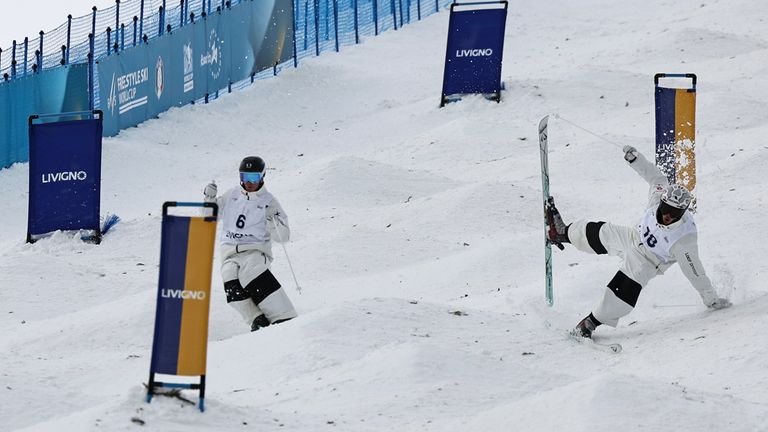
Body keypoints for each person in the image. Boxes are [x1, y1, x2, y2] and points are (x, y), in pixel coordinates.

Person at [546, 145, 731, 338]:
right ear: (662, 201)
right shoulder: (659, 195)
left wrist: (711, 299)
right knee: (601, 231)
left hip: (648, 261)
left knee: (624, 288)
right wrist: (636, 160)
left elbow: (695, 273)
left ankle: (591, 322)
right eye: (666, 208)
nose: (668, 215)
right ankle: (561, 233)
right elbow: (657, 178)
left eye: (675, 213)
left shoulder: (684, 239)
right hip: (634, 237)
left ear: (683, 212)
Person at [204, 156, 297, 332]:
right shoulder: (231, 195)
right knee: (230, 280)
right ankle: (257, 319)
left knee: (250, 273)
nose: (248, 182)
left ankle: (284, 315)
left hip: (255, 250)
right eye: (244, 177)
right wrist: (209, 198)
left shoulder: (268, 201)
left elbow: (283, 237)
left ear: (262, 177)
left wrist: (272, 219)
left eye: (253, 178)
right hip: (230, 251)